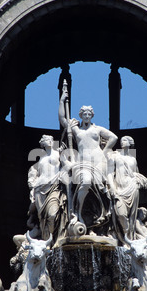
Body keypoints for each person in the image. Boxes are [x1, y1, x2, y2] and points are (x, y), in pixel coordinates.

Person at [59, 90, 117, 230]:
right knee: (85, 182)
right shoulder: (76, 130)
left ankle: (101, 216)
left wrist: (104, 151)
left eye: (89, 114)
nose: (86, 116)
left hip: (98, 160)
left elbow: (113, 137)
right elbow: (62, 120)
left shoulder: (97, 129)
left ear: (92, 116)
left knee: (102, 188)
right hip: (83, 163)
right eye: (84, 114)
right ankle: (77, 213)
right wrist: (62, 101)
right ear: (80, 115)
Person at [107, 136, 147, 243]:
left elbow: (135, 173)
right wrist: (112, 187)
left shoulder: (132, 159)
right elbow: (110, 174)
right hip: (119, 189)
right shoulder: (115, 156)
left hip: (132, 187)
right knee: (120, 213)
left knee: (131, 216)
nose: (122, 142)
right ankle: (125, 238)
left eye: (125, 140)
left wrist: (138, 180)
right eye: (121, 141)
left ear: (130, 143)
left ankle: (129, 239)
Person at [27, 134, 67, 243]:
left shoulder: (59, 153)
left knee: (53, 214)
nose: (49, 141)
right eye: (46, 140)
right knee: (42, 218)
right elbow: (34, 175)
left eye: (50, 139)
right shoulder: (41, 159)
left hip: (54, 187)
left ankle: (53, 239)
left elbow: (66, 166)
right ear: (42, 143)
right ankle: (46, 241)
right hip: (39, 189)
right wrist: (33, 189)